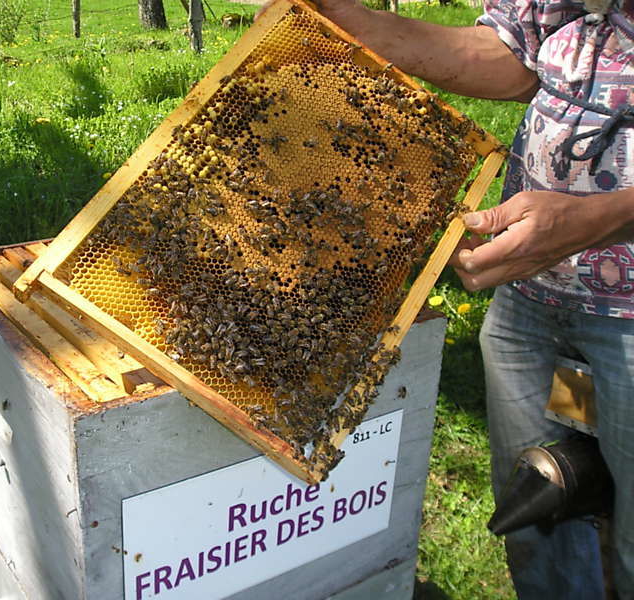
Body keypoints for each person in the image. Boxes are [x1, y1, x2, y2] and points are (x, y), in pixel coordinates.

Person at [260, 0, 634, 596]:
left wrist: (596, 220)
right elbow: (510, 54)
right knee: (539, 506)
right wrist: (352, 19)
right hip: (531, 298)